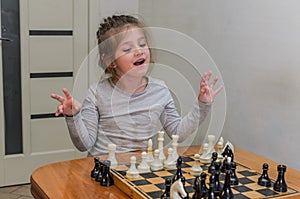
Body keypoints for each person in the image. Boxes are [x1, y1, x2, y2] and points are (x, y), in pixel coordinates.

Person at [51, 15, 223, 156]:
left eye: (142, 44)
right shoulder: (97, 93)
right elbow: (84, 144)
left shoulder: (160, 90)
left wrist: (203, 105)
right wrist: (73, 116)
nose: (139, 51)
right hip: (103, 169)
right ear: (110, 61)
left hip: (139, 169)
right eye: (127, 49)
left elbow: (177, 132)